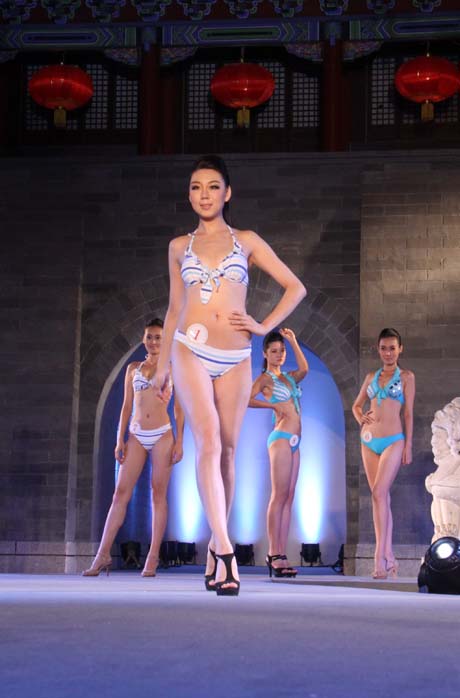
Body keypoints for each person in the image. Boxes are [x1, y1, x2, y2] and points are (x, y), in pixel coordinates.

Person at [152, 155, 306, 596]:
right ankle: (224, 549)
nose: (204, 194)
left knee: (228, 452)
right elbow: (174, 308)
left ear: (227, 193)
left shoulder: (247, 241)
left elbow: (295, 287)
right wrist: (162, 367)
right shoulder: (178, 246)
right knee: (209, 441)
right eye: (196, 187)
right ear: (189, 195)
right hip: (189, 347)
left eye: (213, 186)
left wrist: (262, 325)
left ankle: (213, 550)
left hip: (236, 354)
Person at [83, 319, 184, 577]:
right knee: (120, 494)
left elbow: (179, 408)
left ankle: (153, 556)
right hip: (136, 434)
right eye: (149, 337)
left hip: (162, 434)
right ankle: (103, 554)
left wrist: (180, 441)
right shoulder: (132, 368)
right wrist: (120, 439)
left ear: (165, 340)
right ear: (143, 339)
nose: (153, 341)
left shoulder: (172, 368)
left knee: (157, 494)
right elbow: (126, 407)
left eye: (158, 337)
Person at [352, 328, 415, 579]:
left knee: (379, 493)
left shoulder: (407, 377)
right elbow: (356, 405)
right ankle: (389, 556)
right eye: (383, 348)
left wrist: (408, 445)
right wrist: (360, 418)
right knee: (380, 498)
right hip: (368, 440)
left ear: (400, 349)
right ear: (378, 350)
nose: (388, 353)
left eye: (392, 348)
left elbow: (408, 413)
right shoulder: (371, 377)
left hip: (393, 440)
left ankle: (379, 557)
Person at [249, 328, 309, 578]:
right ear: (265, 353)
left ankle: (282, 553)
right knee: (279, 495)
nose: (279, 355)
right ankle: (273, 553)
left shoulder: (289, 377)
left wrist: (293, 341)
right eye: (274, 351)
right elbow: (246, 398)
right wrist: (272, 405)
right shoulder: (265, 379)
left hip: (296, 441)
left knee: (289, 497)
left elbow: (304, 368)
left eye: (282, 351)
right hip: (281, 438)